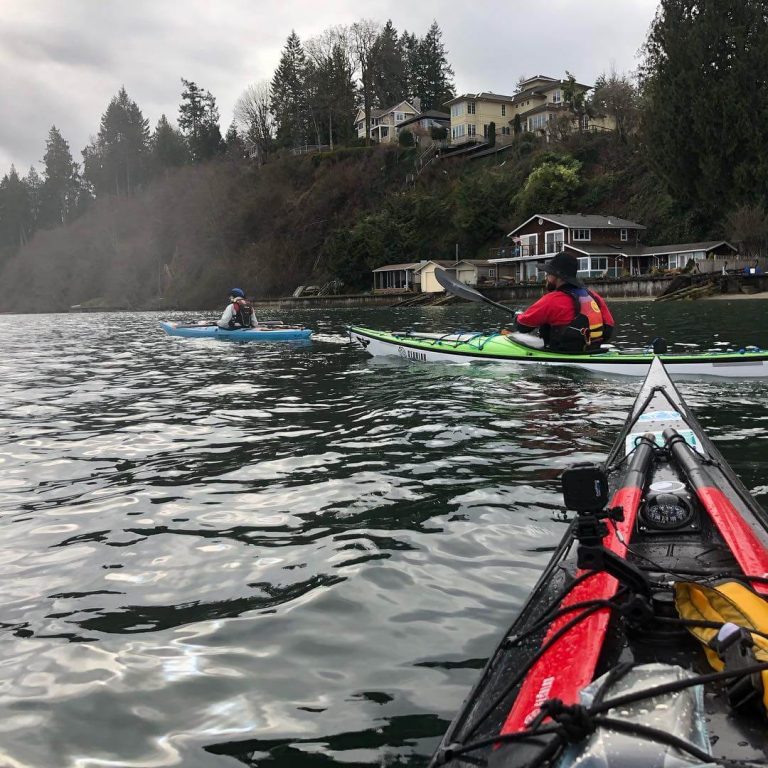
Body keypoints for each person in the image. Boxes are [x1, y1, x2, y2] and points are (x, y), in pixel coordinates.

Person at [513, 252, 614, 353]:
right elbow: (609, 327)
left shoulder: (552, 300)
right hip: (593, 350)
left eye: (549, 273)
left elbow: (522, 326)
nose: (546, 277)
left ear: (558, 277)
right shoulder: (594, 296)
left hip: (563, 354)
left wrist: (517, 316)